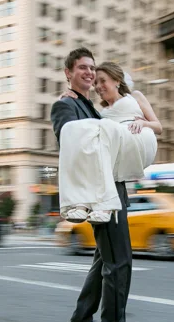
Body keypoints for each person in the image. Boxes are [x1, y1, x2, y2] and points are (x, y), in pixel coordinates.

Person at [50, 47, 155, 322]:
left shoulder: (94, 108)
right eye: (82, 68)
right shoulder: (65, 106)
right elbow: (69, 140)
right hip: (98, 194)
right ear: (68, 73)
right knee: (119, 260)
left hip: (111, 187)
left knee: (102, 261)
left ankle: (82, 320)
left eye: (92, 68)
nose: (89, 73)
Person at [57, 61, 162, 224]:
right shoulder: (102, 113)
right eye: (96, 83)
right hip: (116, 146)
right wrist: (66, 97)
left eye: (102, 80)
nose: (98, 86)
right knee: (71, 129)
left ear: (117, 81)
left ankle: (106, 207)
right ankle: (80, 204)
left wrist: (143, 123)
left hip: (140, 139)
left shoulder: (134, 97)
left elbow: (158, 126)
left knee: (101, 128)